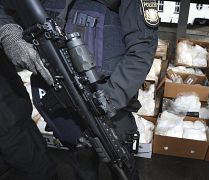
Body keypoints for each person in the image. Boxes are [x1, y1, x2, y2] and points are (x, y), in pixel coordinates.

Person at [0, 0, 158, 179]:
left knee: (120, 161)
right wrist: (7, 31)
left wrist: (110, 99)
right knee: (81, 160)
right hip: (59, 90)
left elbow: (142, 46)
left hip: (107, 95)